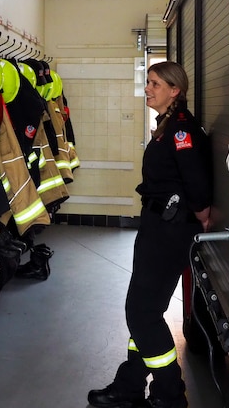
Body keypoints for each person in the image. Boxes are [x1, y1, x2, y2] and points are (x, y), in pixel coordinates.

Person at [88, 61, 211, 408]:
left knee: (141, 312)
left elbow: (197, 183)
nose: (148, 89)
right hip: (158, 226)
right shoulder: (167, 126)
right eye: (149, 83)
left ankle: (170, 395)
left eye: (155, 84)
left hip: (170, 231)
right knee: (147, 310)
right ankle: (129, 387)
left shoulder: (181, 131)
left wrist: (200, 217)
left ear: (175, 90)